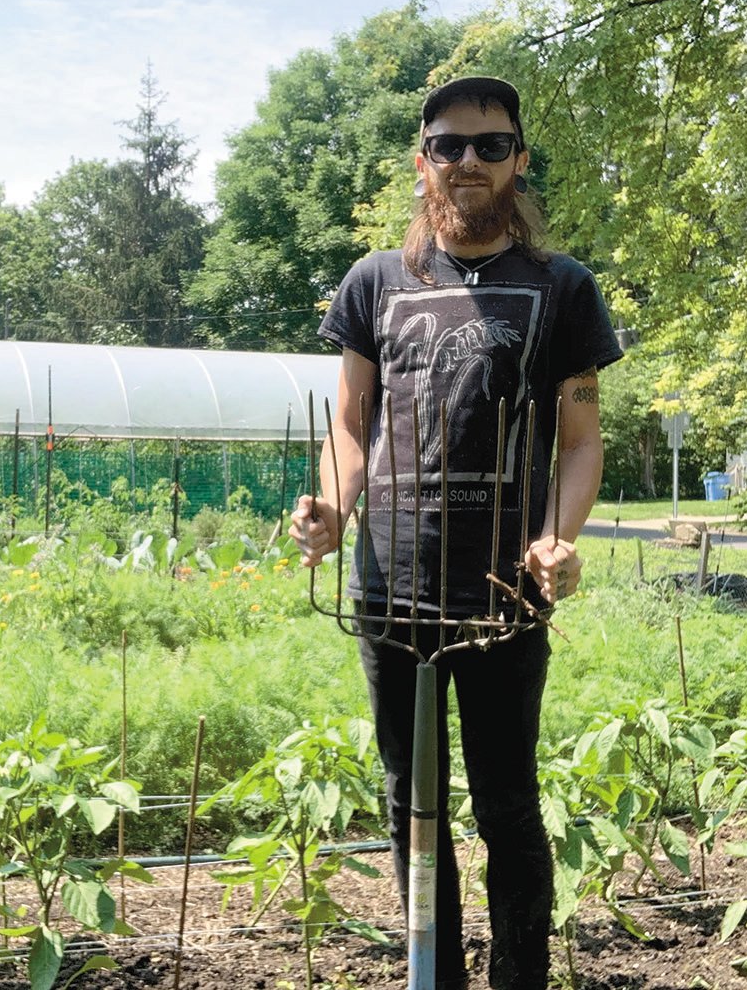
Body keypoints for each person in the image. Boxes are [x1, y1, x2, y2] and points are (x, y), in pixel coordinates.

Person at [290, 76, 624, 990]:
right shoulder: (374, 282)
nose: (468, 161)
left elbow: (582, 438)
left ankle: (521, 977)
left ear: (518, 159)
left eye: (489, 145)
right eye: (449, 145)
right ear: (422, 160)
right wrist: (331, 509)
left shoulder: (562, 289)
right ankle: (431, 978)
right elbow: (351, 426)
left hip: (504, 597)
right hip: (391, 593)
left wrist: (557, 536)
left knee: (508, 804)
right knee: (412, 808)